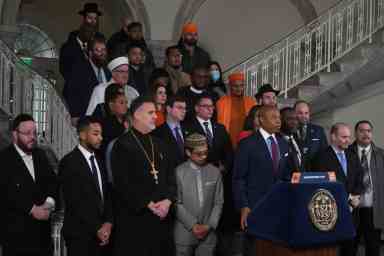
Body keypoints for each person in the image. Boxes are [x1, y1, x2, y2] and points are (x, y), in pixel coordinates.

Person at [111, 96, 176, 256]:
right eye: (151, 112)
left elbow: (171, 178)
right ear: (137, 115)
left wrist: (168, 201)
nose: (155, 116)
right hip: (137, 220)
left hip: (163, 218)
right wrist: (148, 203)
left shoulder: (160, 143)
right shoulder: (122, 144)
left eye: (155, 112)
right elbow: (122, 183)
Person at [232, 106, 292, 256]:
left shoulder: (284, 144)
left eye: (279, 117)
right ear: (261, 120)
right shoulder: (247, 144)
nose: (278, 121)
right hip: (255, 208)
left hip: (279, 209)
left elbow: (286, 176)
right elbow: (239, 179)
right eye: (273, 117)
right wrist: (244, 206)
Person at [0, 114, 58, 256]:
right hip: (17, 240)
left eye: (34, 132)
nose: (32, 137)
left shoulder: (41, 155)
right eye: (27, 133)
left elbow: (53, 183)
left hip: (43, 240)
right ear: (15, 134)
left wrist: (49, 203)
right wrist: (32, 209)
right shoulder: (4, 159)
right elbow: (6, 193)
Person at [59, 117, 113, 256]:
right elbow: (75, 201)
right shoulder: (69, 162)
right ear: (82, 135)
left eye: (101, 134)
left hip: (102, 236)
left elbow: (106, 195)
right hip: (80, 235)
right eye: (95, 134)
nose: (100, 138)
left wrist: (108, 223)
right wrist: (97, 228)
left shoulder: (100, 162)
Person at [311, 123, 364, 256]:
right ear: (333, 137)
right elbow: (322, 185)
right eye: (344, 137)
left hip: (352, 214)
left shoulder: (352, 154)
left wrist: (356, 195)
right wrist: (348, 198)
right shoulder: (320, 157)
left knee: (350, 249)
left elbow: (359, 177)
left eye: (349, 137)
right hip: (331, 214)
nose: (348, 140)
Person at [175, 133, 224, 256]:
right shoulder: (178, 172)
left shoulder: (215, 171)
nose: (203, 156)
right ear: (188, 152)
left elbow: (219, 202)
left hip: (209, 235)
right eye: (198, 153)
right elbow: (176, 203)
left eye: (206, 152)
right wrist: (193, 225)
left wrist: (209, 225)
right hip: (184, 234)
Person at [348, 120, 384, 256]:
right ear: (356, 133)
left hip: (373, 210)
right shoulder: (346, 152)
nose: (366, 134)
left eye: (369, 131)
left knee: (373, 248)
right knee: (349, 248)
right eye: (362, 131)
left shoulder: (381, 154)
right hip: (352, 209)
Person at [64, 35, 111, 125]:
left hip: (105, 121)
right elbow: (70, 93)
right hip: (86, 120)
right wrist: (75, 116)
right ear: (90, 53)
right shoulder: (78, 71)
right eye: (97, 50)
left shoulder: (108, 72)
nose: (102, 53)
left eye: (104, 50)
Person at [60, 3, 104, 81]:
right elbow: (65, 71)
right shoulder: (69, 46)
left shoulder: (101, 42)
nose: (93, 21)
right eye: (90, 18)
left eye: (95, 18)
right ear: (83, 19)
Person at [216, 72, 256, 147]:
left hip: (248, 140)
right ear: (230, 86)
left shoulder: (251, 102)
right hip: (227, 140)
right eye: (235, 86)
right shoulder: (221, 102)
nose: (239, 89)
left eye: (241, 85)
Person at [152, 95, 187, 168]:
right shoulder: (157, 133)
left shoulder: (190, 130)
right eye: (180, 107)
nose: (184, 111)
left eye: (185, 108)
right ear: (168, 109)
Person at [294, 100, 328, 170]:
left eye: (306, 113)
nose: (304, 116)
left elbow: (324, 153)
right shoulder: (289, 131)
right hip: (294, 174)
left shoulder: (319, 130)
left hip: (315, 173)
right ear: (294, 113)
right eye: (300, 113)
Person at [280, 107, 303, 172]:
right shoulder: (276, 141)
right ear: (280, 120)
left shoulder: (298, 139)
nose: (295, 122)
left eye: (296, 119)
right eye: (290, 119)